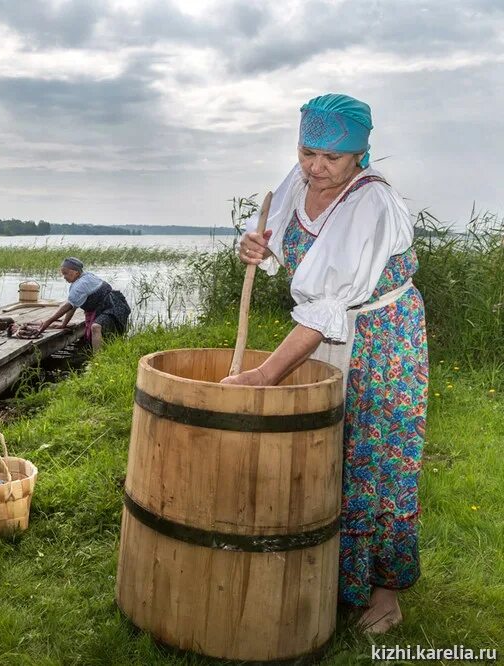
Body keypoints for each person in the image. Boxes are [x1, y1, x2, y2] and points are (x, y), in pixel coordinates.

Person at [222, 94, 428, 634]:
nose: (315, 167)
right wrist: (256, 247)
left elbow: (327, 306)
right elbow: (280, 244)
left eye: (331, 158)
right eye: (307, 151)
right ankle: (335, 578)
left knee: (375, 455)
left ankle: (385, 593)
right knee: (327, 451)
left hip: (382, 338)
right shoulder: (301, 180)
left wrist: (265, 376)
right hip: (329, 329)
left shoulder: (371, 203)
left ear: (360, 155)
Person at [35, 257, 130, 351]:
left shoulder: (82, 283)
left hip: (113, 306)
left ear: (76, 272)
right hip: (103, 307)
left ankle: (98, 359)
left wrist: (48, 322)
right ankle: (102, 352)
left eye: (65, 273)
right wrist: (63, 324)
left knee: (96, 327)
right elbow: (73, 306)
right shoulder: (81, 279)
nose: (64, 277)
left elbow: (68, 306)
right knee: (99, 329)